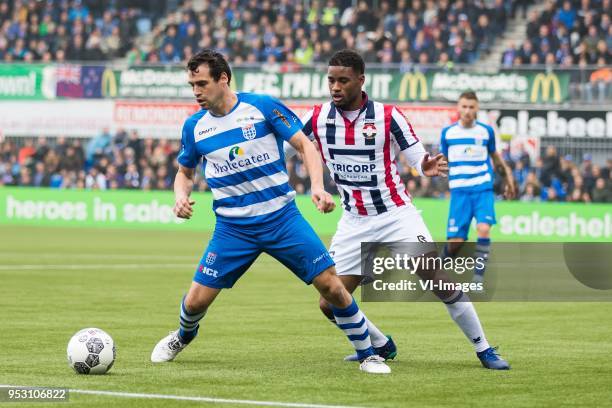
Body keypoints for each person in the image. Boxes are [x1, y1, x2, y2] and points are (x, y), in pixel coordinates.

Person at [150, 49, 390, 374]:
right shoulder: (195, 127)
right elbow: (185, 172)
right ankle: (182, 336)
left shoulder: (261, 106)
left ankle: (369, 354)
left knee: (331, 286)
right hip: (233, 230)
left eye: (202, 83)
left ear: (223, 79)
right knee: (195, 302)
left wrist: (318, 188)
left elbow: (306, 145)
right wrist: (180, 196)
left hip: (282, 219)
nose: (196, 92)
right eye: (192, 84)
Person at [294, 49, 509, 370]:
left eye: (343, 80)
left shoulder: (388, 116)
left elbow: (417, 159)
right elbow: (293, 145)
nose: (335, 87)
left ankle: (485, 349)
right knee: (329, 302)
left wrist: (427, 165)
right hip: (354, 221)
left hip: (396, 216)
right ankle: (380, 343)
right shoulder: (317, 117)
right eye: (331, 80)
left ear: (361, 81)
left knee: (438, 279)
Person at [440, 91, 516, 285]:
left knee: (483, 229)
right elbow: (444, 160)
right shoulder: (448, 134)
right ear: (458, 107)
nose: (467, 111)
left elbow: (496, 158)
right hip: (459, 192)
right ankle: (438, 270)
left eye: (471, 107)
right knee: (456, 242)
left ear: (477, 108)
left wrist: (508, 179)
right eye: (464, 106)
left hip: (482, 189)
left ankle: (477, 279)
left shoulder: (486, 132)